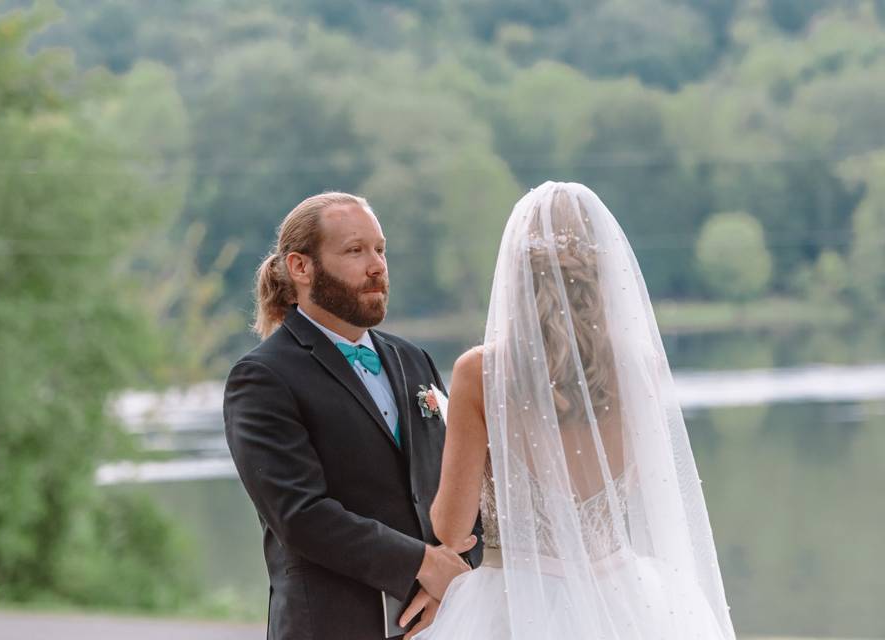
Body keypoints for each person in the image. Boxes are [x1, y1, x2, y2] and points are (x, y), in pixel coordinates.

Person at [404, 182, 737, 639]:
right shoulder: (640, 366)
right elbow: (643, 485)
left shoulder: (482, 372)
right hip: (625, 601)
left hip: (512, 603)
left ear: (516, 272)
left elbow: (450, 527)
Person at [223, 191, 481, 640]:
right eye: (355, 251)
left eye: (380, 249)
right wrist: (423, 565)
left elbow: (462, 478)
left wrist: (451, 583)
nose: (377, 266)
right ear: (301, 267)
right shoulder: (262, 377)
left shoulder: (412, 359)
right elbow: (301, 515)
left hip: (441, 624)